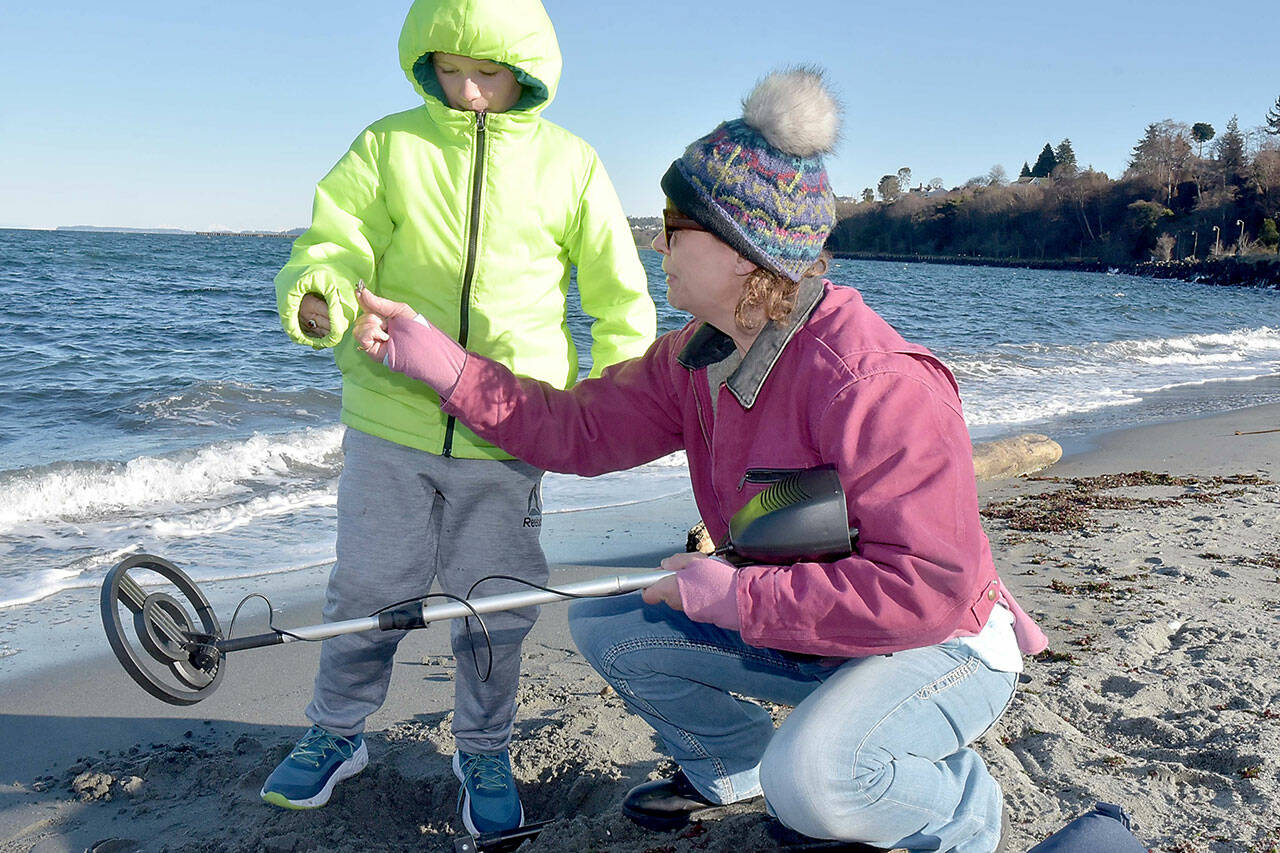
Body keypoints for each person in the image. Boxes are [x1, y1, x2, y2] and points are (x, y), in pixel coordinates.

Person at [351, 68, 1047, 853]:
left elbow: (927, 588)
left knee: (813, 780)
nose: (659, 240)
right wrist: (444, 365)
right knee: (610, 623)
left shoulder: (875, 383)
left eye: (678, 223)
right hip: (825, 632)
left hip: (943, 644)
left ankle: (958, 813)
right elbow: (578, 430)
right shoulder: (697, 357)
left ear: (746, 253)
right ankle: (730, 767)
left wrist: (741, 600)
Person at [264, 0, 656, 835]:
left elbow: (619, 291)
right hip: (389, 419)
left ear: (529, 70)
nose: (471, 91)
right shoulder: (388, 145)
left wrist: (625, 388)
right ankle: (336, 731)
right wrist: (321, 302)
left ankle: (482, 746)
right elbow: (332, 244)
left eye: (489, 73)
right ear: (425, 61)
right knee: (369, 586)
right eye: (452, 70)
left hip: (512, 430)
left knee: (495, 599)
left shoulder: (571, 164)